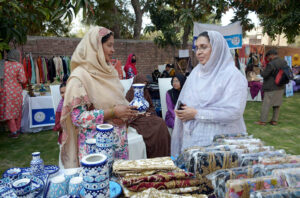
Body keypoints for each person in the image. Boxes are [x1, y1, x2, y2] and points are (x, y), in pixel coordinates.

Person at [60, 26, 138, 168]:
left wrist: (128, 112)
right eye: (109, 45)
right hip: (96, 151)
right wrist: (113, 112)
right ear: (95, 47)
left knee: (119, 187)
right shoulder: (80, 77)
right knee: (99, 188)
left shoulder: (109, 73)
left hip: (119, 146)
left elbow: (117, 103)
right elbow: (78, 118)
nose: (113, 50)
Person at [171, 31, 248, 157]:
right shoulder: (197, 73)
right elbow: (186, 98)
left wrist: (197, 114)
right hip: (193, 140)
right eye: (197, 48)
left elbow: (234, 112)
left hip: (221, 144)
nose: (199, 52)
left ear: (217, 48)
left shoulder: (233, 76)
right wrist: (183, 110)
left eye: (204, 47)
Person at [126, 74, 171, 158]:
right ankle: (153, 154)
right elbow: (128, 111)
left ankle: (164, 153)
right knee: (150, 129)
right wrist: (141, 114)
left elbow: (151, 106)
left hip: (148, 116)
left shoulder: (145, 91)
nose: (144, 84)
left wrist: (149, 113)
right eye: (142, 82)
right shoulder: (130, 94)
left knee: (160, 122)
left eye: (145, 83)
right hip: (137, 119)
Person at [255, 49, 286, 126]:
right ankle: (274, 121)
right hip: (281, 85)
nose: (268, 58)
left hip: (271, 87)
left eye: (268, 56)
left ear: (271, 55)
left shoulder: (271, 64)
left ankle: (263, 121)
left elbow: (264, 75)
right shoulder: (284, 61)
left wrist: (261, 71)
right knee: (277, 104)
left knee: (266, 104)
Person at [0, 49, 26, 138]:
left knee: (8, 110)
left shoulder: (2, 64)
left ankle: (14, 131)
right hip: (16, 91)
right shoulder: (18, 66)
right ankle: (17, 129)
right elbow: (23, 80)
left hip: (5, 91)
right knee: (17, 110)